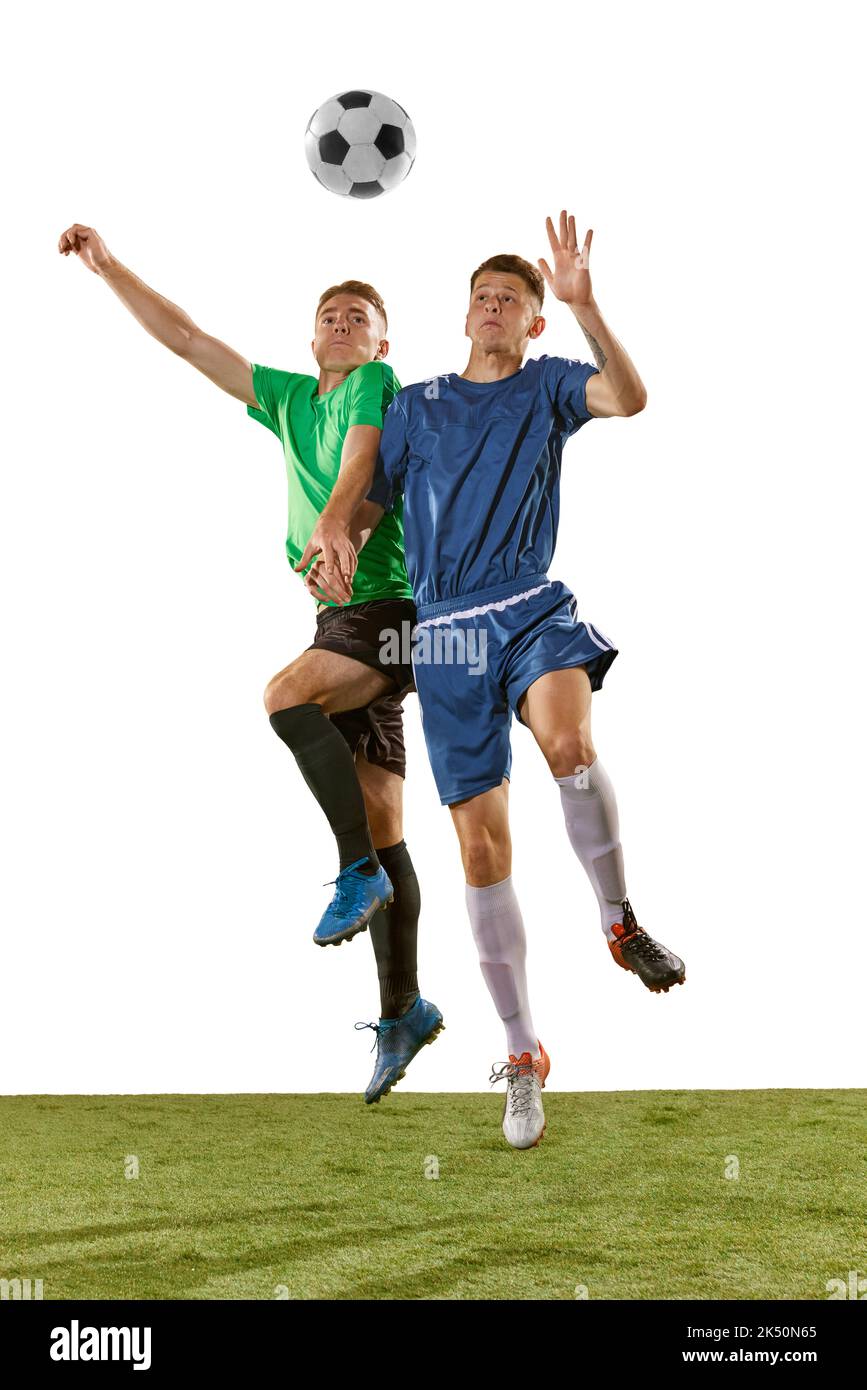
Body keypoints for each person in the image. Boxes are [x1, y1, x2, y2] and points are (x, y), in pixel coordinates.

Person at [304, 211, 684, 1149]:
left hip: (530, 607)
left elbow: (630, 398)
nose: (492, 307)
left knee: (571, 747)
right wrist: (337, 531)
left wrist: (591, 305)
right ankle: (521, 1055)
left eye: (511, 300)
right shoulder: (419, 405)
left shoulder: (551, 386)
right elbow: (367, 496)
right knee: (481, 855)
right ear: (465, 314)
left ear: (534, 325)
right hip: (445, 639)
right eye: (482, 296)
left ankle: (618, 919)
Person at [58, 224, 443, 1104]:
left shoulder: (375, 386)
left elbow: (362, 460)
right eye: (329, 316)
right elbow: (190, 340)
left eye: (359, 317)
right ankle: (402, 1011)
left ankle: (354, 874)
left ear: (382, 342)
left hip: (392, 614)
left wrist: (338, 520)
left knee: (283, 697)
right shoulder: (287, 398)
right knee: (386, 822)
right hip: (338, 614)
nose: (342, 324)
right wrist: (112, 269)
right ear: (312, 339)